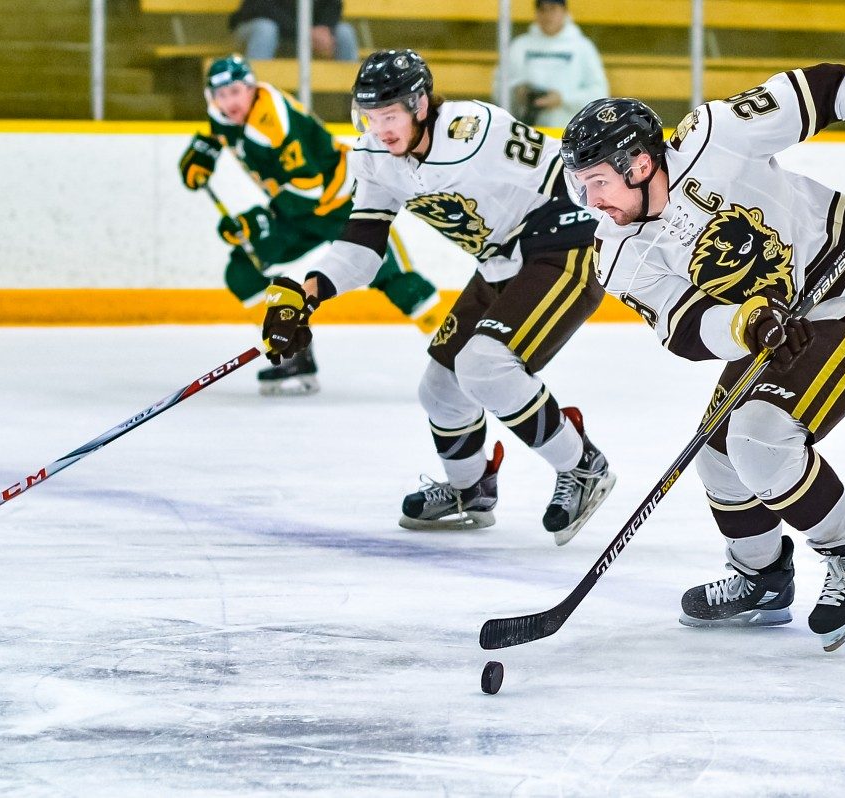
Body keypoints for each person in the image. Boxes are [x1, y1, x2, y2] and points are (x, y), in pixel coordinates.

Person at [560, 66, 845, 650]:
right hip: (778, 331)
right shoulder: (617, 253)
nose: (592, 201)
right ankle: (764, 577)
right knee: (717, 453)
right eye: (581, 187)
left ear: (640, 164)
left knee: (759, 435)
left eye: (597, 182)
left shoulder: (715, 135)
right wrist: (748, 324)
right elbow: (687, 327)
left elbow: (820, 89)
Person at [258, 49, 616, 543]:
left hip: (562, 244)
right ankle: (472, 490)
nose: (379, 128)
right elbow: (363, 246)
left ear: (421, 105)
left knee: (485, 366)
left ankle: (583, 466)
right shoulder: (375, 158)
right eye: (369, 116)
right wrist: (307, 291)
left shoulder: (477, 129)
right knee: (441, 390)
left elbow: (567, 174)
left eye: (389, 115)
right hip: (497, 262)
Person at [179, 55, 443, 395]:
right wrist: (203, 152)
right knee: (243, 271)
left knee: (398, 282)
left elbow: (310, 188)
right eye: (221, 94)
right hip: (297, 212)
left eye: (235, 92)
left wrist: (256, 221)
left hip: (342, 205)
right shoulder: (225, 113)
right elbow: (215, 129)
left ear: (251, 88)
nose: (229, 102)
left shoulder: (273, 122)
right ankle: (293, 351)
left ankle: (458, 353)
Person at [498, 0, 608, 128]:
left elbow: (599, 93)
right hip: (527, 131)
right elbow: (500, 89)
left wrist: (562, 99)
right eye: (542, 10)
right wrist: (518, 92)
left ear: (564, 12)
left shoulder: (583, 47)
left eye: (553, 9)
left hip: (570, 132)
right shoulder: (520, 46)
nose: (547, 15)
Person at [230, 0, 359, 62]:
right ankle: (253, 103)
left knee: (345, 33)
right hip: (254, 28)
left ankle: (357, 107)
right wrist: (304, 32)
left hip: (305, 32)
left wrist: (325, 28)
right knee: (266, 30)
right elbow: (262, 7)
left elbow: (334, 4)